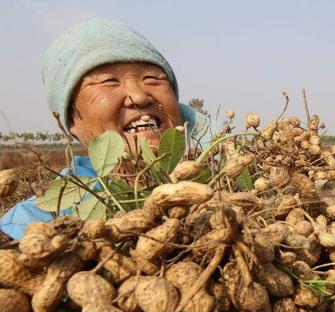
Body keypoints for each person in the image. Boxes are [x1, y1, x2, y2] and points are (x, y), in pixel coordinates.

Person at [0, 18, 210, 240]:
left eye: (152, 78)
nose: (138, 97)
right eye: (110, 81)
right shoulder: (33, 222)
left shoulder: (220, 176)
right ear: (70, 120)